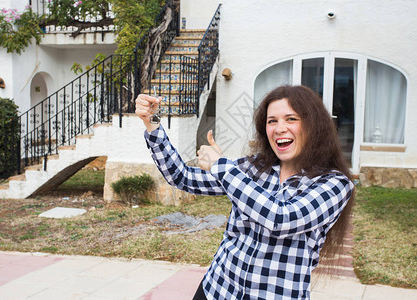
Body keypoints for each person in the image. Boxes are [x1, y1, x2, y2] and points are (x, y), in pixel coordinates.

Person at [135, 85, 355, 300]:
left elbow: (281, 218)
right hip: (217, 289)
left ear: (313, 126)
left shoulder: (334, 183)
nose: (279, 129)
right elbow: (182, 177)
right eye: (272, 121)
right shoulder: (255, 168)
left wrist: (220, 166)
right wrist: (152, 123)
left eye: (291, 119)